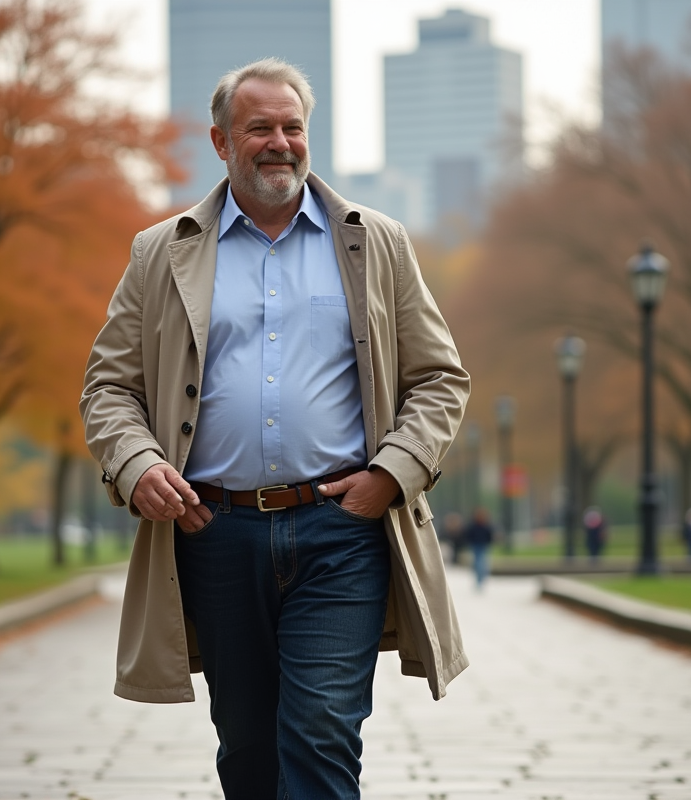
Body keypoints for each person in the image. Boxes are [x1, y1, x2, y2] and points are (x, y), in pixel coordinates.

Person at [79, 58, 471, 800]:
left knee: (322, 726)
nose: (280, 142)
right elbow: (108, 386)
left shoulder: (375, 242)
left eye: (293, 127)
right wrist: (136, 464)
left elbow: (440, 378)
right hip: (214, 535)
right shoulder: (160, 252)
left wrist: (392, 471)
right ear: (222, 142)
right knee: (250, 747)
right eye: (259, 128)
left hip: (341, 532)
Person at [462, 508, 495, 588]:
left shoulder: (485, 525)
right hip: (476, 545)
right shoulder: (473, 525)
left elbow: (489, 535)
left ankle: (481, 578)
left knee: (482, 563)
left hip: (483, 545)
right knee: (478, 563)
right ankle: (479, 579)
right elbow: (468, 535)